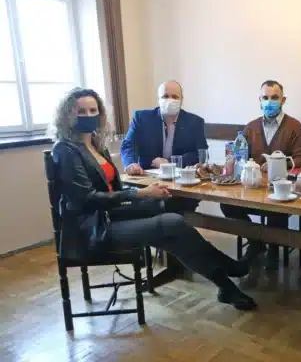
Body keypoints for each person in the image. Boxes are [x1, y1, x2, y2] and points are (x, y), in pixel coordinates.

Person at [51, 88, 257, 311]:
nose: (88, 115)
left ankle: (226, 284)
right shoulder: (65, 150)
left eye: (93, 110)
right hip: (92, 228)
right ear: (68, 115)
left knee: (170, 217)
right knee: (172, 223)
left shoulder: (96, 145)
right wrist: (139, 193)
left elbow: (112, 188)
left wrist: (147, 195)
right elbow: (88, 199)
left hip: (111, 214)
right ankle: (228, 272)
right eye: (81, 111)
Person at [220, 80, 301, 268]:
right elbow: (239, 154)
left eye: (274, 97)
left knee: (276, 207)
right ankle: (256, 241)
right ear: (259, 100)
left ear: (283, 100)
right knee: (227, 204)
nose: (269, 102)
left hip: (280, 188)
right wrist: (232, 160)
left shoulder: (295, 126)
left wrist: (279, 163)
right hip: (254, 187)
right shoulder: (251, 127)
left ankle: (273, 250)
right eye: (265, 98)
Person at [121, 80, 208, 174]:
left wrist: (169, 162)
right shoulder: (141, 118)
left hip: (181, 176)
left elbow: (200, 154)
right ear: (158, 99)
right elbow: (128, 144)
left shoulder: (195, 122)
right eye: (165, 96)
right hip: (147, 174)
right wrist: (131, 163)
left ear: (181, 100)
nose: (170, 100)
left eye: (175, 97)